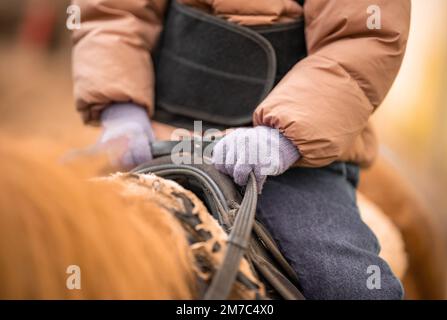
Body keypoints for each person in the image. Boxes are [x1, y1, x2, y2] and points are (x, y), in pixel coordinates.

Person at [72, 0, 411, 299]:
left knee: (350, 286)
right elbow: (113, 11)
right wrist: (121, 109)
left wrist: (284, 134)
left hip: (291, 154)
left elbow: (362, 38)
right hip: (157, 134)